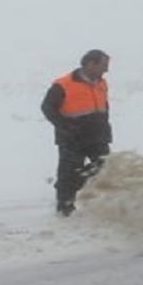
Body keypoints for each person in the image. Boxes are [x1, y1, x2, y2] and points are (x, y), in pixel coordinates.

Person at [41, 49, 112, 216]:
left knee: (105, 166)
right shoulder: (63, 84)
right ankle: (65, 209)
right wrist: (65, 127)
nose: (106, 70)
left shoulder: (102, 83)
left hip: (98, 137)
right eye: (103, 65)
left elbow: (103, 107)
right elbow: (47, 108)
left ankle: (83, 187)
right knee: (68, 173)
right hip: (72, 139)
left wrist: (106, 127)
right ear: (90, 64)